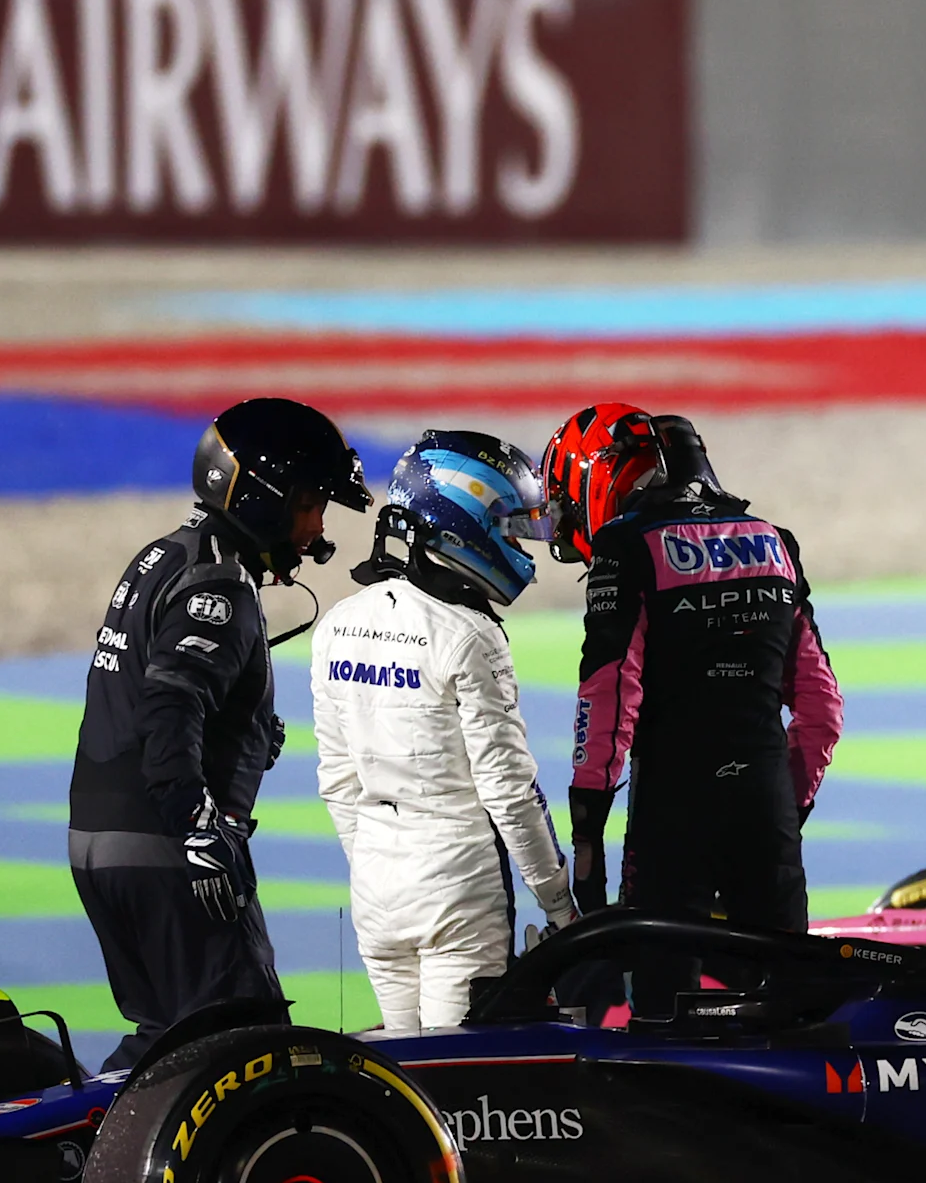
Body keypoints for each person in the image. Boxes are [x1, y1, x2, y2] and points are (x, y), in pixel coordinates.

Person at [68, 396, 369, 1057]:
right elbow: (168, 710)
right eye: (309, 503)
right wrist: (199, 830)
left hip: (99, 840)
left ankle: (72, 1153)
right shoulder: (223, 587)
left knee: (168, 1041)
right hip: (166, 848)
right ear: (261, 498)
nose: (317, 526)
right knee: (243, 1044)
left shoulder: (162, 556)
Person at [312, 431, 577, 1035]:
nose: (518, 543)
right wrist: (559, 905)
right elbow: (510, 794)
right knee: (459, 1093)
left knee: (402, 1094)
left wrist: (380, 865)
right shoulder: (472, 637)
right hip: (460, 889)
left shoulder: (337, 625)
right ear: (464, 524)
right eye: (509, 527)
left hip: (376, 888)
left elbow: (338, 784)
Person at [549, 404, 843, 933]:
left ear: (602, 477)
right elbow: (822, 711)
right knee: (790, 1000)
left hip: (671, 816)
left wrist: (587, 835)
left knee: (661, 1005)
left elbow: (610, 693)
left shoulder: (627, 544)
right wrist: (783, 812)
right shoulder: (776, 540)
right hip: (768, 807)